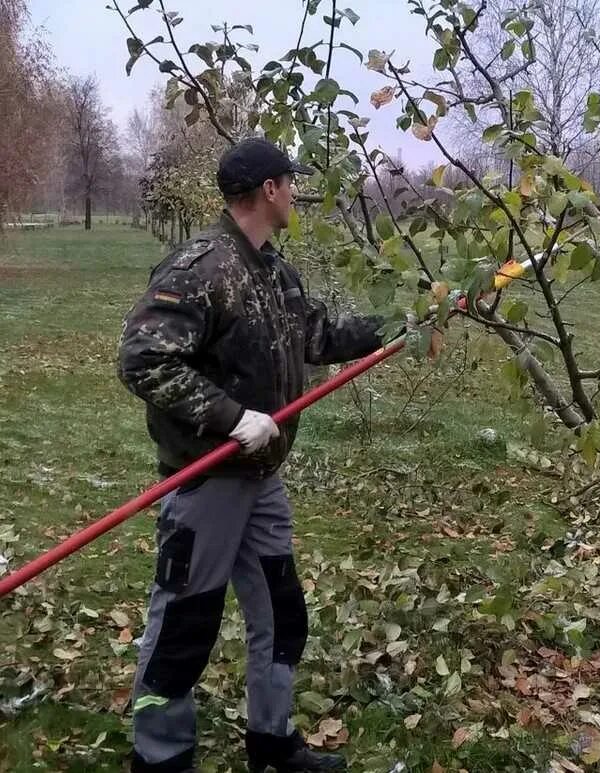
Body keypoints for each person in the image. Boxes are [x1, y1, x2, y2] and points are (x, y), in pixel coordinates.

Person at [119, 138, 412, 772]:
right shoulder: (201, 267)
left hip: (262, 479)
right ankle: (160, 756)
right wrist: (229, 417)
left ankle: (271, 742)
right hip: (208, 481)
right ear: (269, 190)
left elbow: (321, 335)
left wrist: (404, 321)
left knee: (282, 612)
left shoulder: (273, 271)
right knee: (184, 627)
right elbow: (142, 359)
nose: (295, 193)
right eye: (289, 182)